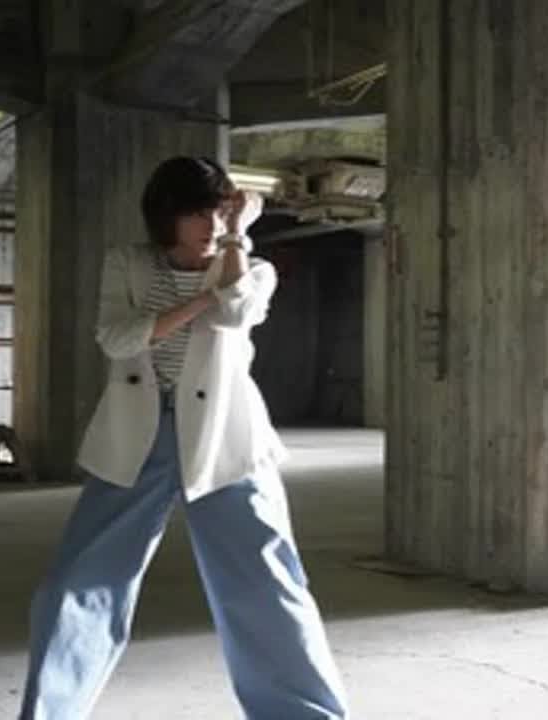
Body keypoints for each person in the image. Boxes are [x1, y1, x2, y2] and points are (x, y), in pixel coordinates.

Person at [20, 156, 349, 719]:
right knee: (77, 584)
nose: (211, 225)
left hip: (226, 439)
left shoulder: (251, 266)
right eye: (199, 213)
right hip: (136, 437)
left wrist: (238, 238)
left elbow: (235, 313)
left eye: (220, 212)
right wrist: (199, 301)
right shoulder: (127, 263)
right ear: (166, 216)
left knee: (266, 584)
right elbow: (117, 339)